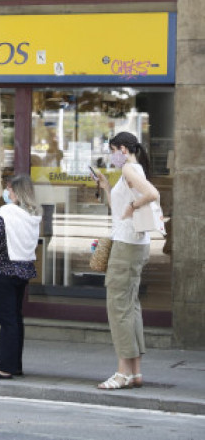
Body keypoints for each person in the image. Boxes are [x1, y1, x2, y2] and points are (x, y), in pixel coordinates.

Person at [93, 132, 159, 390]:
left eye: (112, 150)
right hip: (135, 244)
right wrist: (107, 189)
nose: (112, 156)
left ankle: (122, 373)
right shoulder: (135, 169)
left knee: (118, 308)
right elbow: (120, 211)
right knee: (130, 307)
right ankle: (134, 372)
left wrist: (134, 206)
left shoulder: (130, 169)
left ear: (122, 148)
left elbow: (152, 194)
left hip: (127, 247)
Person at [0, 175, 41, 379]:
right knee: (15, 319)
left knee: (7, 321)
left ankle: (5, 367)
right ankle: (14, 364)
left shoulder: (6, 213)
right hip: (21, 271)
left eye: (10, 190)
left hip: (1, 272)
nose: (7, 193)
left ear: (17, 193)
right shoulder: (32, 215)